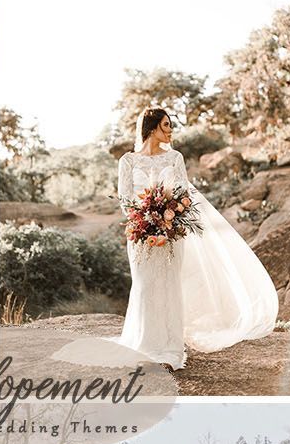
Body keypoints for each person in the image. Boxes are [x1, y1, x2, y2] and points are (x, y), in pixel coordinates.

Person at [117, 107, 278, 368]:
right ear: (152, 128)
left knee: (169, 286)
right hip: (141, 236)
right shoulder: (128, 161)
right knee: (145, 287)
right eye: (166, 125)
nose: (170, 131)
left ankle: (169, 349)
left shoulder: (175, 158)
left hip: (171, 234)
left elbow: (183, 197)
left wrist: (166, 223)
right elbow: (125, 200)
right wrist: (147, 222)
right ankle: (144, 345)